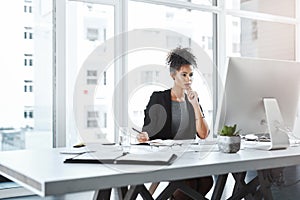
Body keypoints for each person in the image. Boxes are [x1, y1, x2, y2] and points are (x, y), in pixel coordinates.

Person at [136, 47, 213, 200]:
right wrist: (144, 136)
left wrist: (195, 105)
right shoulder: (158, 98)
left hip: (189, 157)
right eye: (183, 75)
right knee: (190, 183)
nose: (188, 79)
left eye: (191, 75)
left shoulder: (193, 100)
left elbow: (203, 134)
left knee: (206, 181)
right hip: (167, 157)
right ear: (173, 75)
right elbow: (148, 131)